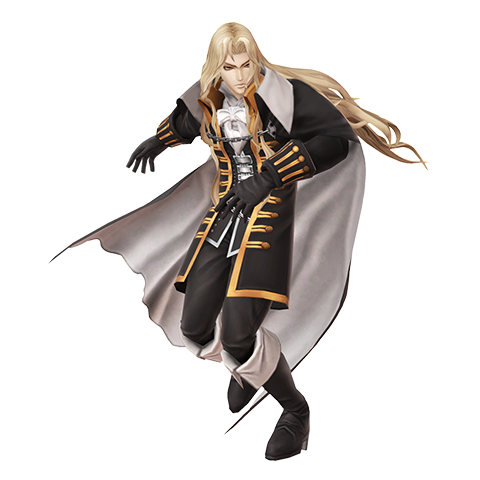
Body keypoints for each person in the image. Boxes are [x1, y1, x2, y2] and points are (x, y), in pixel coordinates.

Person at [64, 22, 426, 461]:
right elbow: (186, 120)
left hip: (267, 224)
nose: (239, 76)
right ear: (217, 69)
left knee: (238, 333)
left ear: (256, 62)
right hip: (221, 221)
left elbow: (334, 141)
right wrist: (157, 142)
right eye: (230, 67)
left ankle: (295, 411)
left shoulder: (285, 97)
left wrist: (270, 177)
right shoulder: (210, 98)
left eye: (246, 65)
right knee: (195, 327)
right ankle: (250, 366)